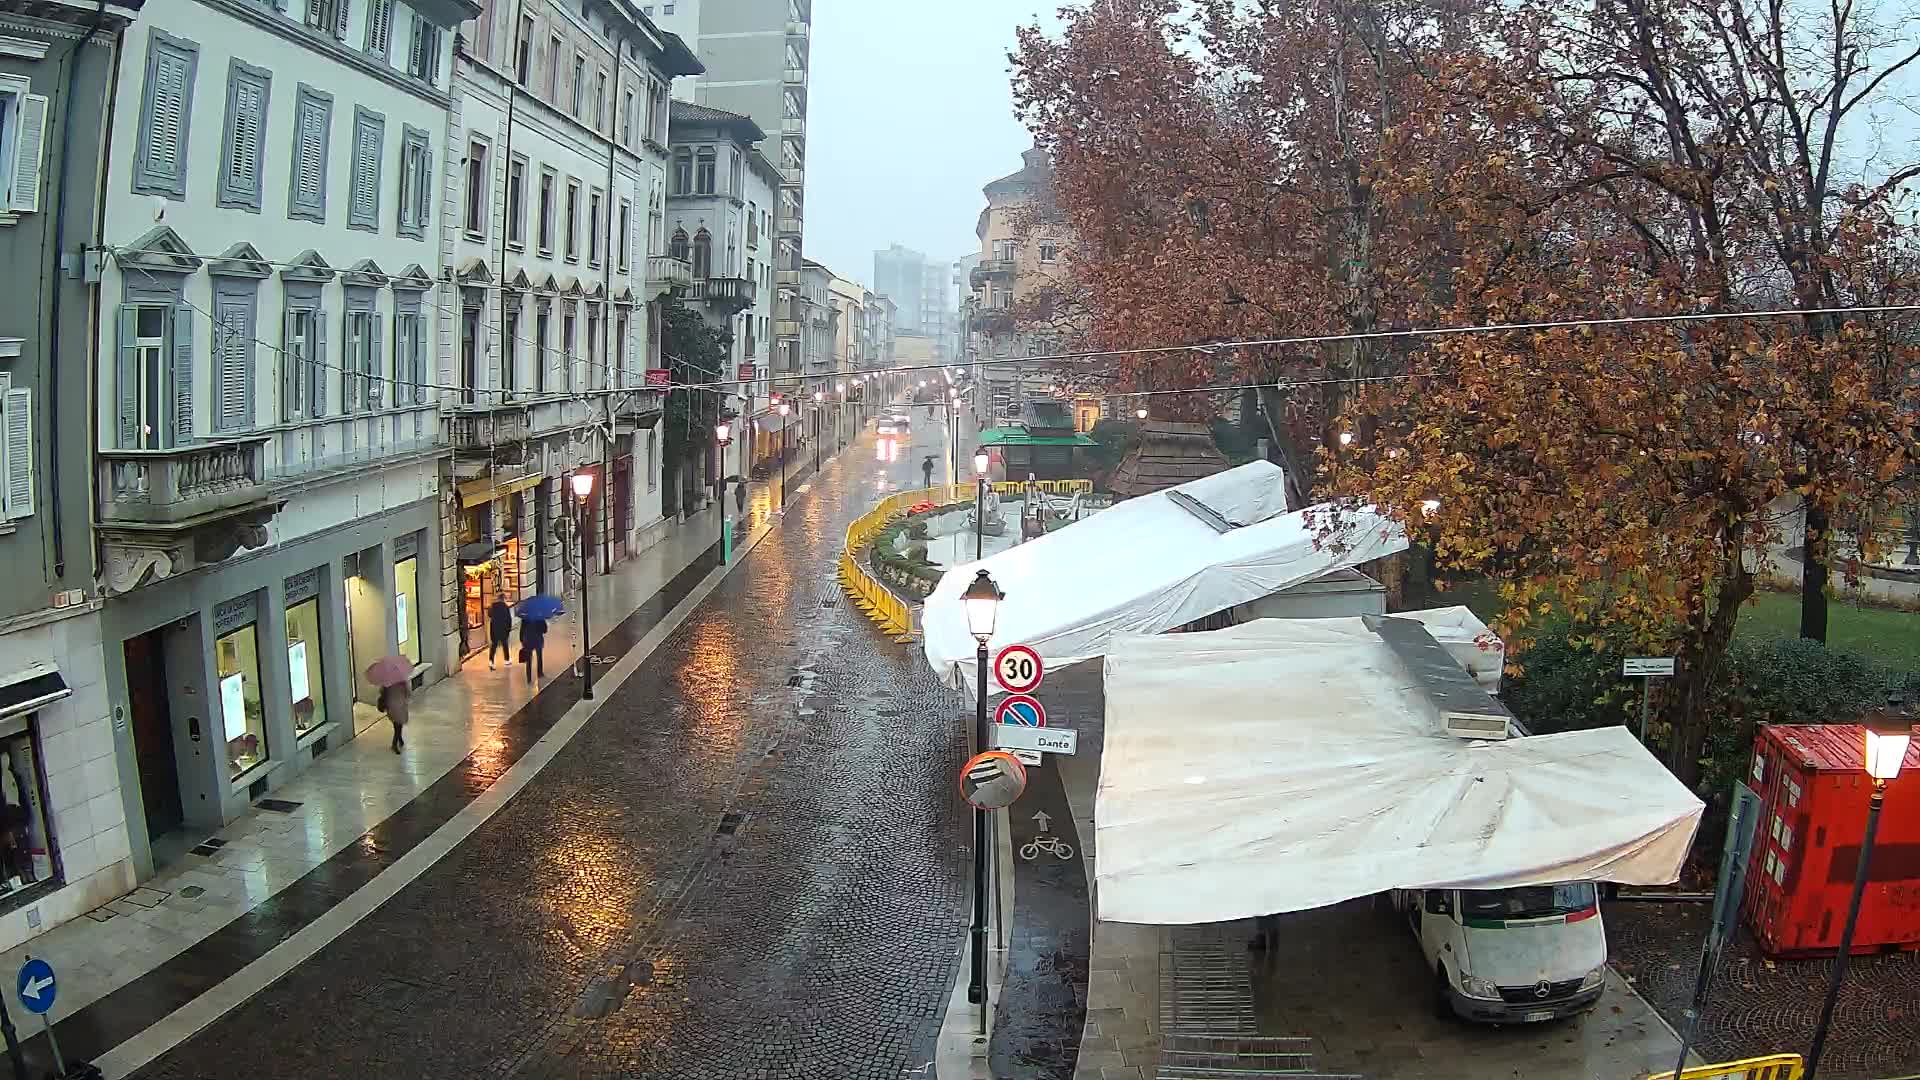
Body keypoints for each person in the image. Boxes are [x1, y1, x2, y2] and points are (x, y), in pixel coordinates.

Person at [376, 683, 409, 754]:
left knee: (399, 724)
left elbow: (406, 692)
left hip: (399, 706)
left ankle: (399, 738)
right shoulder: (389, 683)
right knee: (397, 726)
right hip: (393, 707)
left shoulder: (396, 681)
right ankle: (395, 744)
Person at [487, 597, 513, 670]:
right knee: (505, 644)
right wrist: (509, 628)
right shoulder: (505, 607)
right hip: (503, 628)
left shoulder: (492, 606)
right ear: (503, 599)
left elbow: (489, 615)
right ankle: (506, 660)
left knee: (494, 645)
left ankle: (491, 661)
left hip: (494, 628)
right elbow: (509, 619)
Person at [521, 615, 548, 680]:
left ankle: (529, 677)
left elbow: (522, 630)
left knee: (529, 660)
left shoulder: (525, 618)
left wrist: (522, 640)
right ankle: (540, 673)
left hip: (528, 640)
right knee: (539, 657)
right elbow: (545, 630)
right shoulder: (540, 616)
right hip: (538, 639)